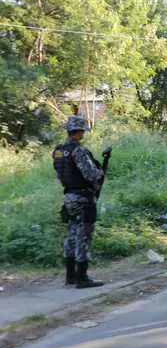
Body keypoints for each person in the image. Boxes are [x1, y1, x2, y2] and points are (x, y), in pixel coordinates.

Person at [52, 116, 106, 289]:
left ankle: (70, 276)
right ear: (79, 131)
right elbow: (90, 174)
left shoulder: (59, 151)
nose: (83, 133)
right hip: (83, 198)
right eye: (82, 130)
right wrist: (101, 173)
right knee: (83, 236)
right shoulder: (78, 150)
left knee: (72, 235)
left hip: (68, 196)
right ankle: (82, 278)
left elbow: (60, 174)